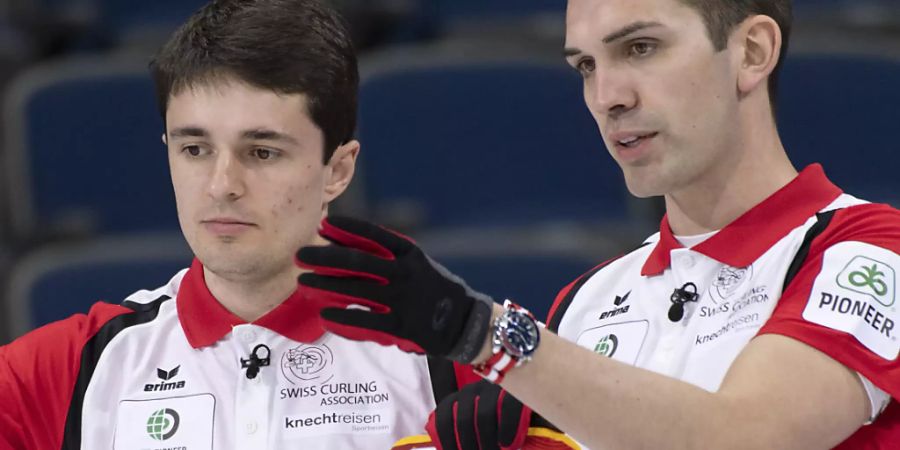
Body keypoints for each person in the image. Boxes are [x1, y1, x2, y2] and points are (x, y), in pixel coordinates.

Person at [295, 0, 900, 448]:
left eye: (640, 48)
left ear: (751, 52)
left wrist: (480, 333)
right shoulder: (589, 299)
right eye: (586, 65)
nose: (607, 95)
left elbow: (743, 438)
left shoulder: (870, 248)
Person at [0, 0, 472, 448]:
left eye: (262, 152)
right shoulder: (67, 369)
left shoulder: (450, 356)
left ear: (338, 170)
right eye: (195, 149)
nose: (222, 185)